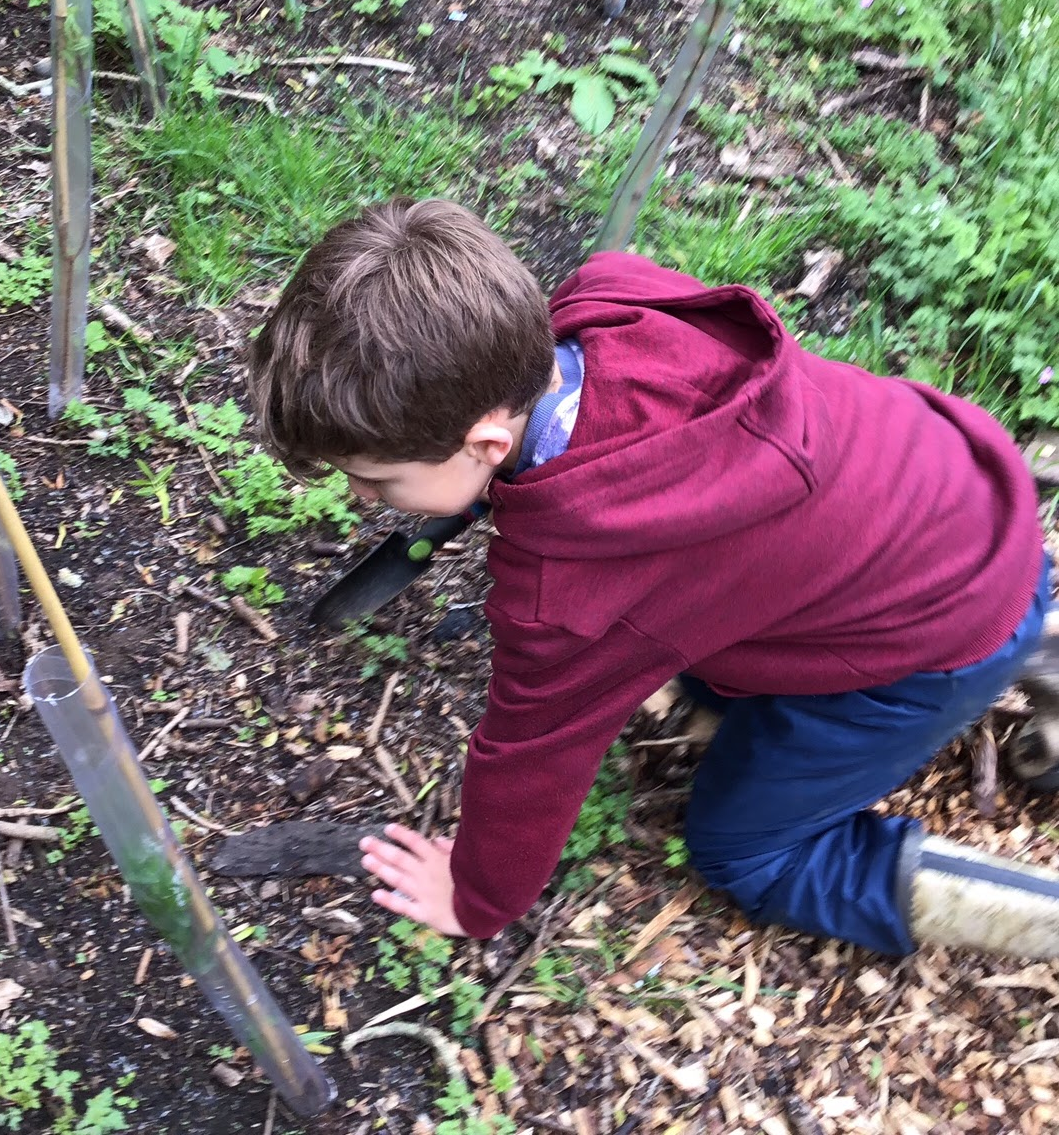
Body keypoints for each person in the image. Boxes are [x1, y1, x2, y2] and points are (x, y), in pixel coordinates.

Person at [249, 196, 1059, 958]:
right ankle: (1038, 633)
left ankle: (1031, 913)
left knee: (744, 851)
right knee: (717, 674)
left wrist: (476, 896)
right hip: (958, 478)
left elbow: (534, 754)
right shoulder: (607, 298)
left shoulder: (568, 596)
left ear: (488, 443)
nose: (360, 496)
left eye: (378, 481)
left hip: (939, 631)